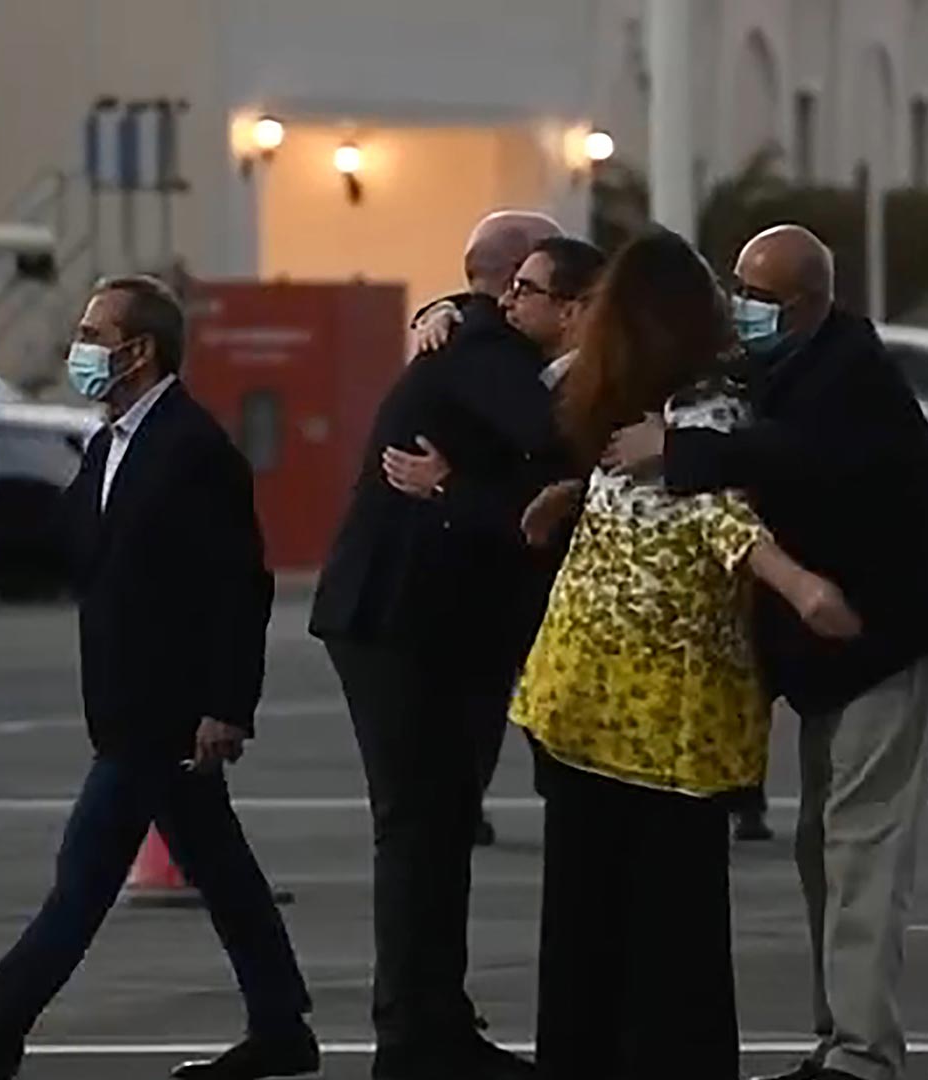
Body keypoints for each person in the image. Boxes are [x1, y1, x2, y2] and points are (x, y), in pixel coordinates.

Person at [603, 225, 928, 1080]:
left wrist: (677, 452)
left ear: (809, 302)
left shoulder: (852, 373)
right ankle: (838, 1036)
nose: (744, 307)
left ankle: (864, 1053)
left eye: (761, 295)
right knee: (823, 842)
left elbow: (806, 454)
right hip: (834, 651)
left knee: (864, 845)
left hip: (889, 638)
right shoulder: (779, 367)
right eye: (738, 287)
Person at [0, 276, 314, 1080]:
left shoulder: (193, 448)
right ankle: (281, 1026)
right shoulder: (111, 445)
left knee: (86, 872)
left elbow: (238, 587)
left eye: (92, 334)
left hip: (163, 709)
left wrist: (226, 705)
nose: (80, 349)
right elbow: (71, 543)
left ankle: (0, 1024)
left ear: (138, 351)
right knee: (221, 872)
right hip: (125, 700)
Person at [511, 228, 863, 1080]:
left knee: (583, 912)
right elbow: (715, 518)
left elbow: (687, 509)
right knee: (675, 924)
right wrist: (800, 586)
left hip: (583, 690)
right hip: (670, 706)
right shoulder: (699, 411)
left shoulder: (623, 409)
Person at [309, 211, 566, 1080]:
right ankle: (416, 1036)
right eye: (549, 284)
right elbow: (560, 436)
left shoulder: (467, 337)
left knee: (439, 826)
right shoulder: (482, 349)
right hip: (407, 624)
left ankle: (433, 1023)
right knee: (422, 828)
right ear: (513, 284)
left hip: (424, 622)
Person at [382, 235, 607, 848]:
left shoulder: (589, 389)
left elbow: (543, 501)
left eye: (523, 289)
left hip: (572, 605)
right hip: (526, 605)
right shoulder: (525, 370)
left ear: (571, 309)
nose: (506, 301)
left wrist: (448, 487)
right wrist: (444, 307)